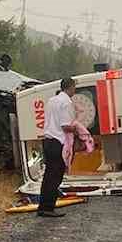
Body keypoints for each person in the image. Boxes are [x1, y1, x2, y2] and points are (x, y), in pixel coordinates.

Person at [38, 76, 80, 216]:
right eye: (74, 87)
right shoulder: (66, 102)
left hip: (48, 141)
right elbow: (65, 126)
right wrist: (77, 129)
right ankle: (48, 208)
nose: (75, 90)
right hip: (57, 142)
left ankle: (43, 206)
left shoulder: (52, 100)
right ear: (70, 87)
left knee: (48, 176)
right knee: (56, 176)